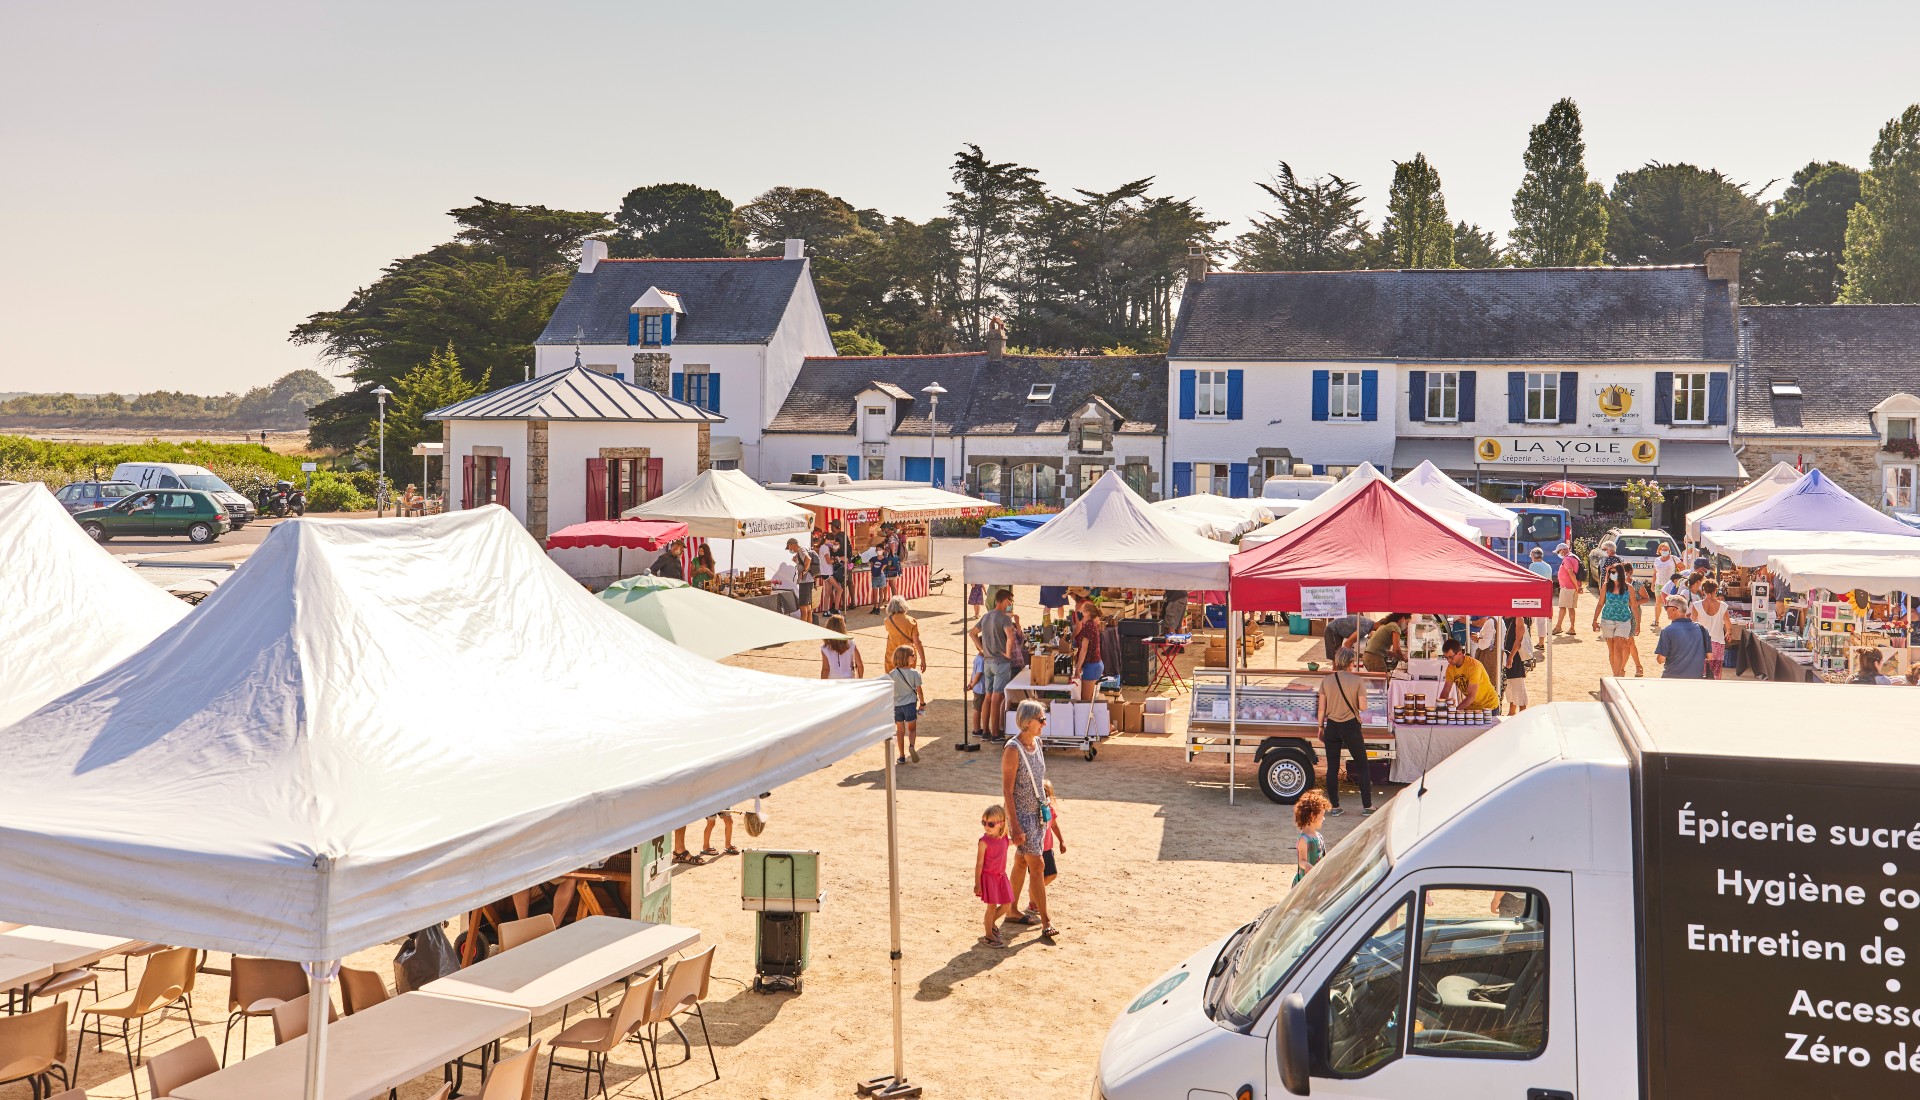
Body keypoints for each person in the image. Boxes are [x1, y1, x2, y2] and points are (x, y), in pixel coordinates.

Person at [1001, 700, 1057, 939]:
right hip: (1022, 816)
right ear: (1027, 722)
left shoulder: (1038, 743)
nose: (1045, 723)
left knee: (1021, 863)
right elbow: (1007, 790)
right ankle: (1046, 921)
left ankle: (1011, 910)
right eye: (1041, 719)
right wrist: (1014, 825)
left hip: (1038, 814)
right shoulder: (1013, 749)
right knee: (1038, 866)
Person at [1315, 647, 1373, 816]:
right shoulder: (1357, 681)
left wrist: (1320, 727)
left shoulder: (1326, 681)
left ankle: (1334, 807)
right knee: (1362, 765)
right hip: (1351, 727)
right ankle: (1367, 806)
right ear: (1350, 663)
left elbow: (1321, 708)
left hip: (1332, 726)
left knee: (1332, 767)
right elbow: (1362, 707)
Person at [974, 589, 1020, 742]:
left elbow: (972, 633)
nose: (1010, 605)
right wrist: (1008, 653)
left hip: (988, 661)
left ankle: (986, 731)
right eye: (1010, 602)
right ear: (1005, 600)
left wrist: (982, 650)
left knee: (988, 696)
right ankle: (995, 733)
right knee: (996, 697)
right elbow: (1010, 637)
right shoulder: (1004, 619)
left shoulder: (986, 617)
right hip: (1000, 662)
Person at [974, 805, 1015, 949]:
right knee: (991, 908)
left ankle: (989, 923)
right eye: (983, 823)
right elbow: (979, 864)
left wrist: (1018, 840)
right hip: (989, 878)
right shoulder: (984, 842)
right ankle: (988, 935)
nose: (986, 826)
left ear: (1001, 824)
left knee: (1007, 904)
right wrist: (977, 884)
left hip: (1001, 877)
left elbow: (1007, 843)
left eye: (990, 824)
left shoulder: (1003, 838)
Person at [1591, 562, 1638, 679]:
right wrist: (1594, 619)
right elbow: (1600, 603)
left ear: (1620, 573)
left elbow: (1634, 606)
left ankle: (1617, 676)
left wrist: (1637, 624)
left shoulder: (1629, 588)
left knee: (1618, 648)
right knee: (1611, 649)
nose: (1611, 574)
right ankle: (1616, 673)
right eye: (1610, 572)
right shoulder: (1606, 586)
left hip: (1623, 620)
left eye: (1613, 572)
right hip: (1607, 620)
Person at [1653, 596, 1709, 679]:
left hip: (1672, 678)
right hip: (1696, 679)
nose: (1666, 610)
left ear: (1674, 609)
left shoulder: (1667, 631)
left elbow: (1660, 660)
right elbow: (1710, 656)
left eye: (1666, 607)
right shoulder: (1702, 629)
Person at [1441, 638, 1501, 712]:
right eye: (1446, 658)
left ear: (1459, 653)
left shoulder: (1473, 666)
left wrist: (1455, 711)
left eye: (1451, 657)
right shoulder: (1450, 668)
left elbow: (1471, 696)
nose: (1449, 661)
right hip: (1471, 707)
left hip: (1488, 706)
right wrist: (1440, 707)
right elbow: (1445, 692)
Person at [888, 645, 925, 764]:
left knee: (900, 731)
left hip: (897, 705)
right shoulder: (915, 673)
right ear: (906, 658)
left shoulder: (892, 673)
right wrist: (923, 703)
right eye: (912, 655)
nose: (915, 657)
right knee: (912, 729)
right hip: (910, 704)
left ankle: (901, 755)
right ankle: (912, 746)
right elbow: (919, 691)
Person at [1691, 579, 1729, 679]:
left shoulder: (1697, 605)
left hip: (1702, 643)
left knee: (1701, 672)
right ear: (1715, 590)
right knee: (1716, 673)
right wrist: (1729, 633)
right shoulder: (1723, 606)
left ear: (1703, 590)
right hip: (1718, 642)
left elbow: (1692, 624)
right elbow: (1729, 626)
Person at [1071, 598, 1106, 703]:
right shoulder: (1091, 624)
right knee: (1089, 700)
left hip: (1092, 666)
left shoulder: (1088, 626)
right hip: (1095, 664)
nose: (1078, 612)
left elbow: (1084, 650)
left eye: (1081, 610)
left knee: (1085, 700)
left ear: (1087, 613)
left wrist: (1077, 668)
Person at [1293, 790, 1331, 885]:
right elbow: (1301, 861)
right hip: (1306, 882)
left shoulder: (1319, 836)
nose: (1324, 818)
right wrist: (1308, 866)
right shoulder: (1304, 840)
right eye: (1322, 815)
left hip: (1317, 879)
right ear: (1313, 816)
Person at [882, 596, 926, 673]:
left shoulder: (887, 620)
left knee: (892, 679)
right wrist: (923, 660)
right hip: (908, 654)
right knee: (908, 679)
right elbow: (917, 642)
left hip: (892, 654)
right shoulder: (911, 621)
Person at [1625, 571, 1654, 677]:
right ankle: (1634, 666)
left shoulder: (1637, 584)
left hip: (1633, 614)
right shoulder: (1616, 584)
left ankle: (1632, 667)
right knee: (1626, 642)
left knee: (1630, 641)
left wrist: (1634, 603)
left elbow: (1646, 598)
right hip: (1620, 615)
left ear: (1629, 573)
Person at [819, 614, 863, 680]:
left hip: (833, 680)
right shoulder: (851, 643)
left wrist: (822, 684)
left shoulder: (825, 648)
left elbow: (826, 669)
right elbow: (859, 664)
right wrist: (860, 679)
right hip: (849, 679)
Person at [1502, 615, 1530, 714]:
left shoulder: (1518, 618)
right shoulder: (1503, 616)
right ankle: (1511, 712)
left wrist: (1511, 657)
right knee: (1509, 685)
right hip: (1505, 655)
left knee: (1518, 685)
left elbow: (1519, 640)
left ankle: (1523, 714)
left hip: (1515, 657)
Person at [1552, 544, 1581, 635]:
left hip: (1568, 587)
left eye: (1558, 551)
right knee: (1570, 607)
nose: (1558, 553)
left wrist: (1577, 586)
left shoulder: (1567, 559)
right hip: (1571, 587)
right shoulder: (1574, 557)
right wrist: (1577, 586)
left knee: (1563, 607)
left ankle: (1558, 627)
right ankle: (1571, 628)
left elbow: (1571, 573)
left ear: (1563, 550)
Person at [1524, 548, 1553, 637]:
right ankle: (1541, 642)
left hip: (1535, 594)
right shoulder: (1548, 566)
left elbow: (1531, 581)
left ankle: (1529, 638)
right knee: (1541, 620)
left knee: (1531, 619)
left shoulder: (1533, 566)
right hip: (1546, 594)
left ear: (1533, 556)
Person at [788, 537, 816, 622]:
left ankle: (804, 628)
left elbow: (808, 559)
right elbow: (805, 562)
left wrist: (804, 571)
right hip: (809, 580)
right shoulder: (802, 550)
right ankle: (809, 628)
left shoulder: (801, 550)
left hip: (805, 581)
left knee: (803, 607)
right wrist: (797, 561)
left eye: (789, 547)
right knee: (808, 607)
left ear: (792, 545)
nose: (790, 550)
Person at [1470, 615, 1500, 688]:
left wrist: (1477, 639)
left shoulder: (1489, 622)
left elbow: (1485, 644)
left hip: (1488, 656)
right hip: (1497, 654)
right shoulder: (1499, 620)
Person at [967, 653, 987, 740]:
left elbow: (973, 673)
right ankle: (976, 729)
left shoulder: (977, 657)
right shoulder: (982, 660)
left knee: (978, 709)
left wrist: (971, 683)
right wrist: (972, 685)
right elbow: (978, 675)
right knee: (977, 709)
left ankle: (977, 728)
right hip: (980, 688)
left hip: (977, 687)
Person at [867, 539, 889, 613]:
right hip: (874, 577)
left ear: (883, 550)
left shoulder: (885, 560)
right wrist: (872, 573)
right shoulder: (873, 559)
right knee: (875, 594)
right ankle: (875, 607)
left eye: (880, 549)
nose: (878, 551)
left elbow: (882, 569)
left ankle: (879, 607)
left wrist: (878, 572)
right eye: (877, 550)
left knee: (881, 593)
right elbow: (871, 566)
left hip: (881, 577)